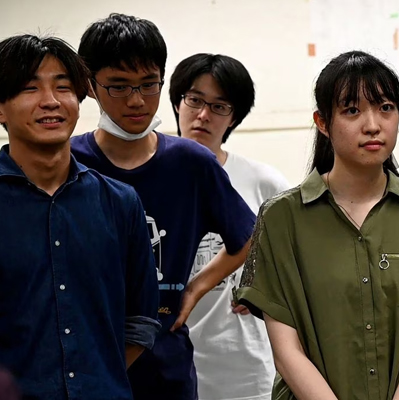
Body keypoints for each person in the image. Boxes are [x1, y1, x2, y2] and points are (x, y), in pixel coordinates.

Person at [236, 50, 399, 400]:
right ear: (322, 122)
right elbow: (287, 352)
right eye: (352, 110)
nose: (373, 124)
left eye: (386, 108)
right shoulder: (282, 218)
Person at [71, 14, 256, 400]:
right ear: (90, 86)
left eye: (148, 84)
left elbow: (250, 235)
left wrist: (195, 289)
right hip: (82, 364)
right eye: (119, 87)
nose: (137, 100)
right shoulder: (70, 160)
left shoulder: (190, 163)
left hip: (166, 366)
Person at [0, 34, 160, 399]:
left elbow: (141, 322)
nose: (51, 102)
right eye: (29, 88)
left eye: (64, 88)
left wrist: (95, 379)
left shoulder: (120, 202)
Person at [169, 53, 290, 400]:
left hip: (246, 369)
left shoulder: (264, 182)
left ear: (234, 117)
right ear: (178, 102)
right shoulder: (148, 178)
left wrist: (267, 289)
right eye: (194, 100)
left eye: (219, 106)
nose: (203, 115)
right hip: (166, 365)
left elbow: (298, 266)